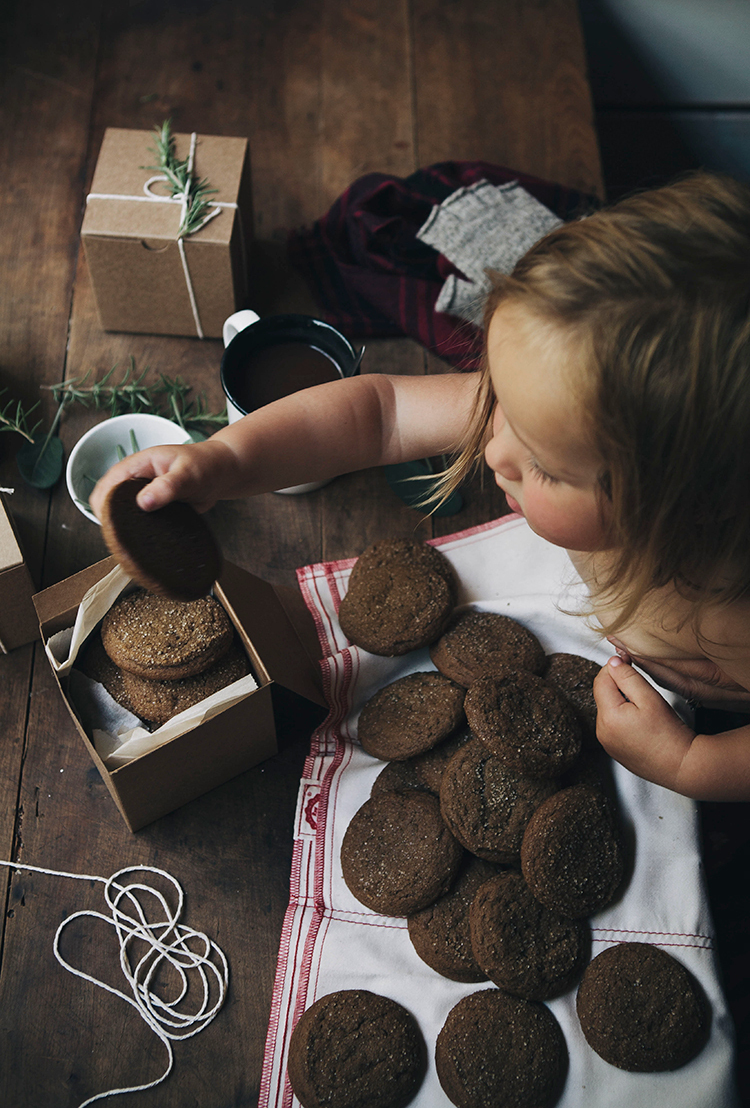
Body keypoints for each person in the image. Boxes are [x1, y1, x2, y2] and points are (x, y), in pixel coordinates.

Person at [91, 170, 750, 802]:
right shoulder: (559, 408)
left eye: (545, 467)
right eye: (497, 401)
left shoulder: (727, 606)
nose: (493, 447)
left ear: (671, 511)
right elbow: (378, 414)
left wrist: (692, 763)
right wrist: (225, 460)